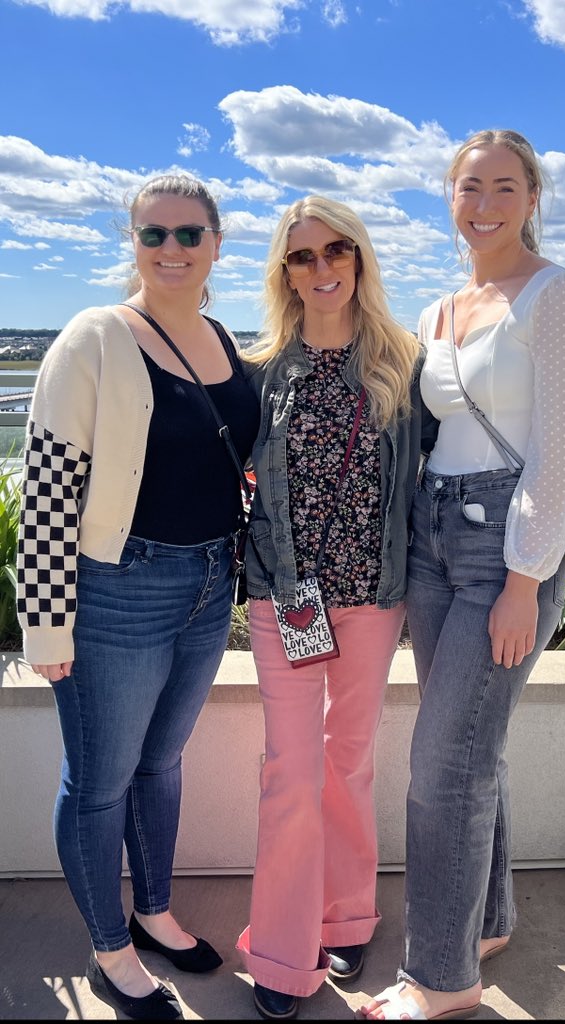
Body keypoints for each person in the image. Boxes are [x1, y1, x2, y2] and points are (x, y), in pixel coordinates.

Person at [359, 129, 565, 1021]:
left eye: (504, 186)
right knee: (469, 750)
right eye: (470, 187)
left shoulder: (557, 294)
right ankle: (487, 921)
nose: (485, 203)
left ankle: (441, 977)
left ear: (533, 197)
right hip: (433, 535)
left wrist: (523, 580)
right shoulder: (439, 310)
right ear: (449, 197)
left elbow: (557, 449)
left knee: (442, 770)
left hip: (506, 544)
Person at [16, 174, 260, 1021]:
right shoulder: (94, 337)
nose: (171, 249)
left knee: (161, 765)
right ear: (133, 242)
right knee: (99, 782)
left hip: (209, 584)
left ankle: (154, 913)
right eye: (153, 234)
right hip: (118, 589)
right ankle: (109, 947)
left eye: (189, 234)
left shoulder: (222, 338)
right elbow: (47, 487)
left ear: (217, 244)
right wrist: (46, 626)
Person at [235, 194, 436, 1021]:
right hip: (285, 597)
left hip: (373, 595)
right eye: (302, 256)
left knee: (349, 762)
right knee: (291, 772)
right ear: (285, 273)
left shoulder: (404, 362)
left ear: (358, 257)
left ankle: (347, 917)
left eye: (335, 250)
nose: (321, 268)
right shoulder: (259, 372)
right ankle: (283, 955)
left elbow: (443, 466)